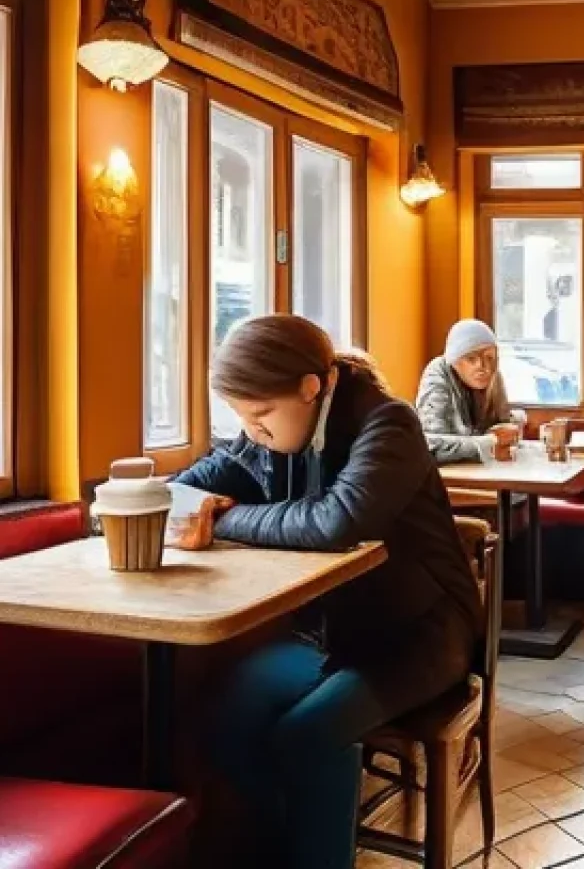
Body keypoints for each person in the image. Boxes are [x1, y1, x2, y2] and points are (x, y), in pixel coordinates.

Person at [174, 315, 482, 869]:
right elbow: (186, 490)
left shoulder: (388, 426)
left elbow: (334, 523)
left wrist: (223, 521)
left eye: (260, 414)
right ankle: (281, 850)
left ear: (310, 389)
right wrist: (141, 508)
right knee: (226, 716)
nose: (251, 432)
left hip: (422, 631)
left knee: (307, 735)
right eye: (240, 417)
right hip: (328, 632)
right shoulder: (264, 435)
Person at [416, 318, 512, 464]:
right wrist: (487, 443)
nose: (482, 366)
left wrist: (510, 430)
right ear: (454, 361)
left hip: (483, 472)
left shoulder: (493, 375)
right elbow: (429, 444)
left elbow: (503, 422)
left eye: (489, 357)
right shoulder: (438, 373)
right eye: (471, 358)